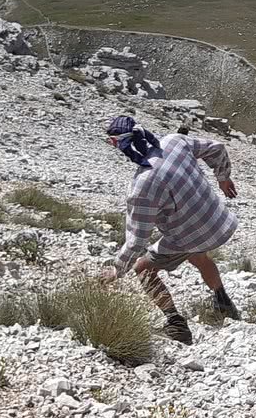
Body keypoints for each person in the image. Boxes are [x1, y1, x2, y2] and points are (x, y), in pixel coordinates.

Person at [97, 114, 241, 343]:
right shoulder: (174, 141)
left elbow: (137, 241)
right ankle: (224, 304)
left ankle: (176, 325)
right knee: (197, 255)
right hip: (219, 220)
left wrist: (117, 270)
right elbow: (217, 148)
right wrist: (223, 178)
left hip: (190, 235)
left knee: (143, 268)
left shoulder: (141, 187)